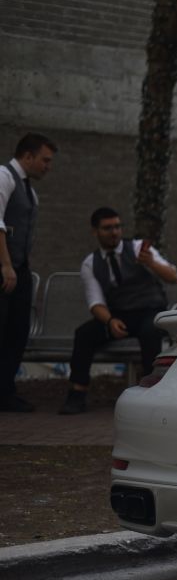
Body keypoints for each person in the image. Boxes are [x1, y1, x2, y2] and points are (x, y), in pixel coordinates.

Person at [59, 207, 177, 415]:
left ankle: (153, 392)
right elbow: (95, 302)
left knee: (149, 331)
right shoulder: (90, 263)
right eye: (107, 228)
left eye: (117, 226)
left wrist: (150, 263)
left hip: (150, 310)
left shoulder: (137, 248)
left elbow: (173, 277)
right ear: (95, 232)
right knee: (84, 334)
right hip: (119, 315)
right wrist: (109, 321)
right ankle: (77, 394)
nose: (114, 232)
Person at [0, 133, 57, 413]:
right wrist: (5, 264)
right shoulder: (4, 176)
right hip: (4, 267)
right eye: (45, 160)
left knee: (17, 331)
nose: (48, 166)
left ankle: (5, 391)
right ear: (28, 156)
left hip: (20, 268)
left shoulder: (30, 191)